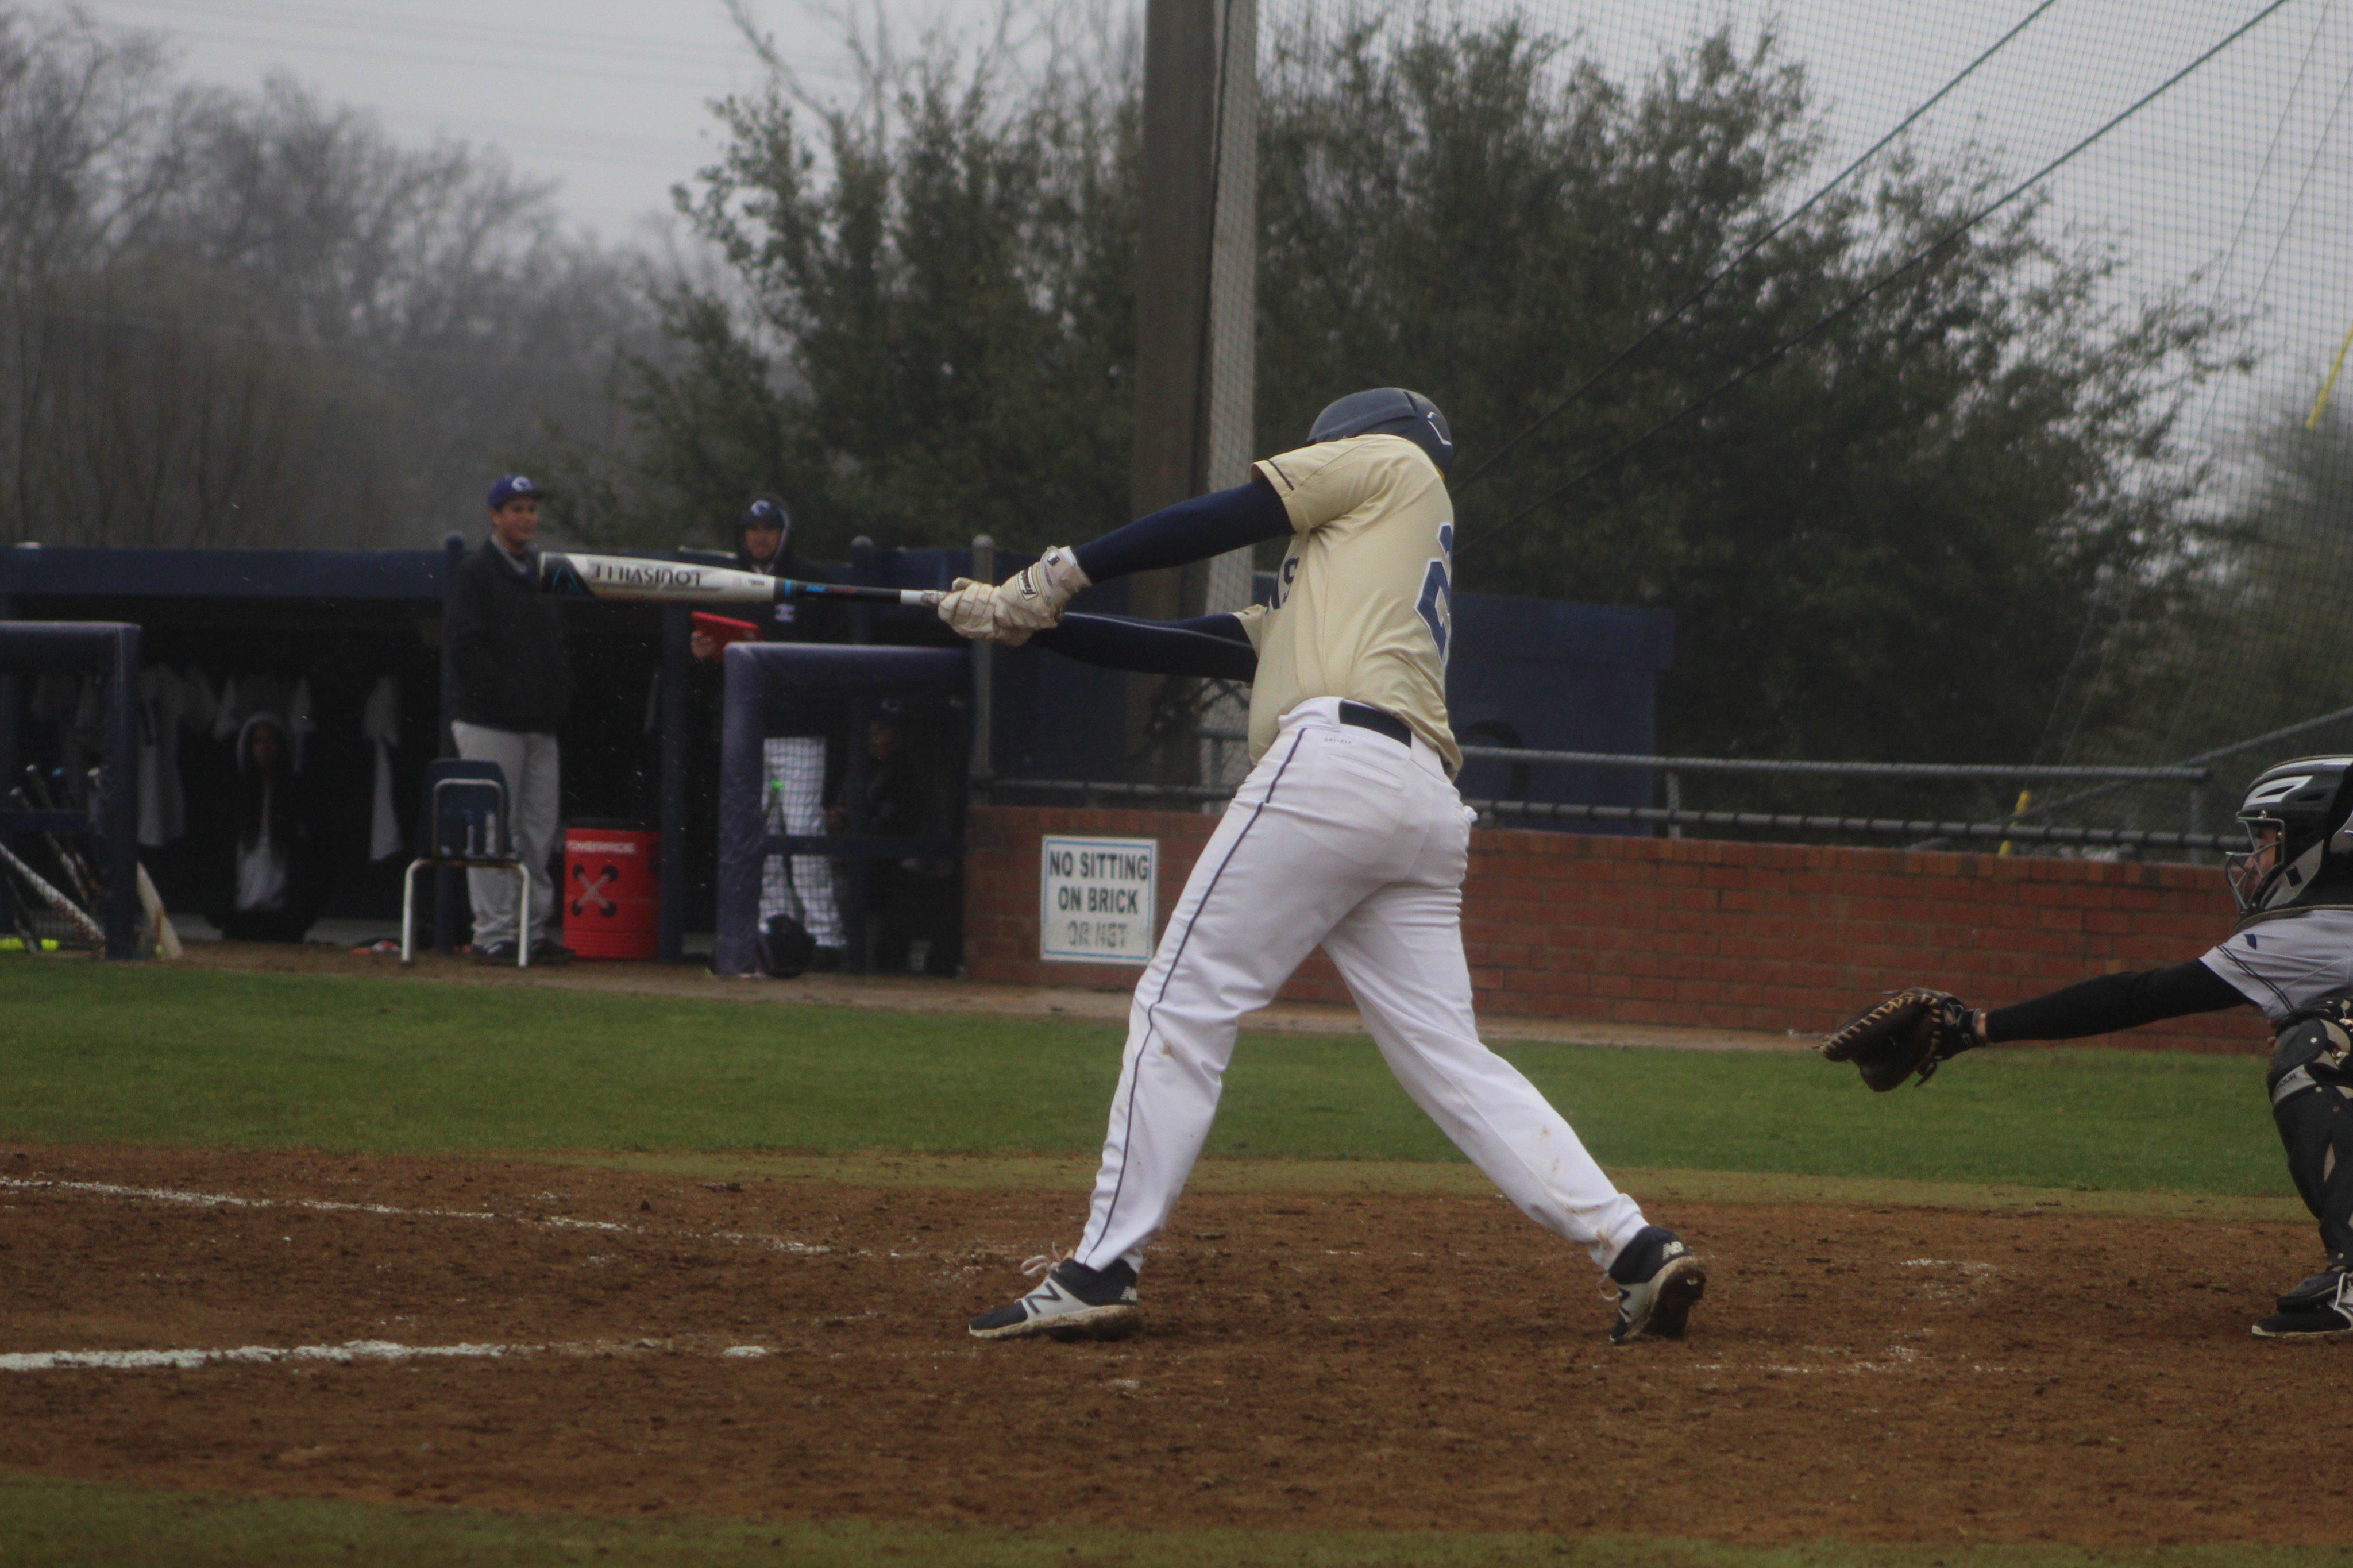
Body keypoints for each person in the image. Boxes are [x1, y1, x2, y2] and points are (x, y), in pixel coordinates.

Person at [935, 388, 1706, 1345]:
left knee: (1180, 1001)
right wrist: (1020, 623)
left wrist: (1061, 571)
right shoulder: (1349, 582)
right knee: (1452, 1061)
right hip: (1416, 805)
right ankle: (1635, 1246)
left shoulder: (1389, 460)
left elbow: (1230, 512)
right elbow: (1187, 648)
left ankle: (1102, 1268)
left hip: (1336, 769)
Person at [1819, 754, 2353, 1339]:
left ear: (2325, 846)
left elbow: (2137, 997)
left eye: (2269, 841)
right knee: (2328, 1029)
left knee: (2314, 1048)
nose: (2253, 860)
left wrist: (1974, 1027)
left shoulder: (2311, 932)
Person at [692, 495, 851, 970]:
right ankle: (774, 931)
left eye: (768, 529)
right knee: (756, 837)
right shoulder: (727, 583)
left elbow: (836, 661)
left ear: (784, 533)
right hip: (747, 738)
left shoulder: (809, 581)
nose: (759, 538)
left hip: (800, 735)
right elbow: (704, 672)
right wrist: (701, 654)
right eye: (752, 529)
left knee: (803, 835)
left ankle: (826, 937)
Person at [446, 474, 573, 966]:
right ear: (495, 515)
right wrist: (511, 696)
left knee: (539, 830)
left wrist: (554, 698)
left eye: (531, 509)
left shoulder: (542, 571)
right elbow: (467, 649)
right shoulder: (476, 571)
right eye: (516, 509)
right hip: (490, 722)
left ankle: (531, 931)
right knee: (492, 830)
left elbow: (556, 645)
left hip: (538, 726)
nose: (526, 517)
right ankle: (493, 933)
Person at [211, 712, 317, 943]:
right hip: (240, 909)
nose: (264, 748)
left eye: (270, 741)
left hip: (283, 914)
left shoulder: (295, 795)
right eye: (258, 741)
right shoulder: (235, 795)